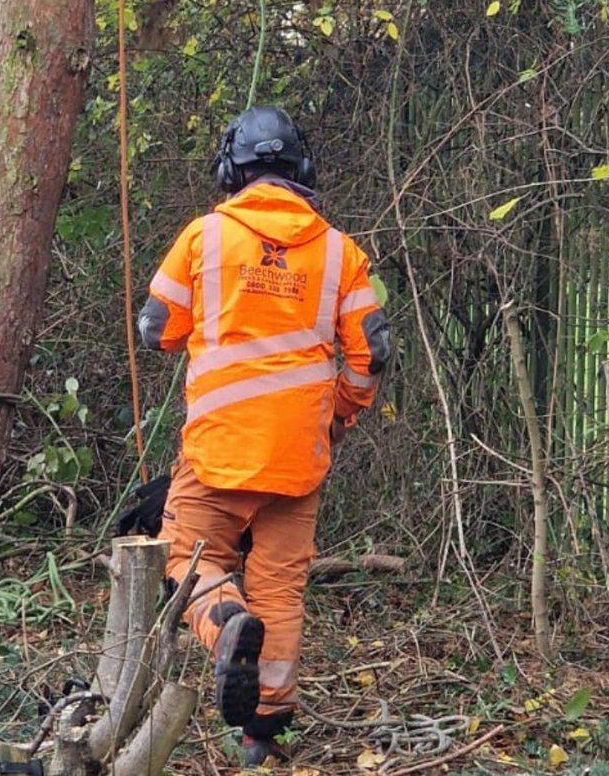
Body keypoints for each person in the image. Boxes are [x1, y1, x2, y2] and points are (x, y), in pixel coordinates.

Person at [137, 105, 391, 765]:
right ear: (301, 168)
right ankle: (262, 731)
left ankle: (223, 628)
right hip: (299, 455)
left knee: (185, 556)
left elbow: (155, 328)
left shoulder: (204, 236)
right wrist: (341, 414)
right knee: (279, 582)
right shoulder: (340, 250)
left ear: (232, 168)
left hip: (217, 447)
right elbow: (371, 354)